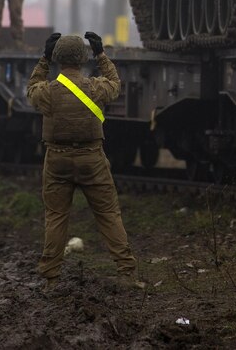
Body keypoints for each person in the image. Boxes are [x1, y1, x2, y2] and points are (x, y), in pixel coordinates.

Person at [26, 31, 138, 289]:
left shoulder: (47, 92)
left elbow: (32, 88)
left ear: (57, 59)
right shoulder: (95, 88)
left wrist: (43, 59)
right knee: (108, 214)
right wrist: (101, 55)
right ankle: (126, 272)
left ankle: (51, 279)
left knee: (55, 217)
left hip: (57, 161)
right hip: (92, 160)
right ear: (83, 58)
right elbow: (115, 83)